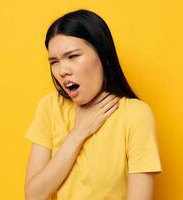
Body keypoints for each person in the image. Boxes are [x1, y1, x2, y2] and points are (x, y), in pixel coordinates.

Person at [24, 9, 162, 200]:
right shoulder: (50, 107)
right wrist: (78, 134)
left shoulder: (135, 114)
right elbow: (33, 196)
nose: (62, 70)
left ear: (103, 55)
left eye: (72, 56)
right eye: (54, 61)